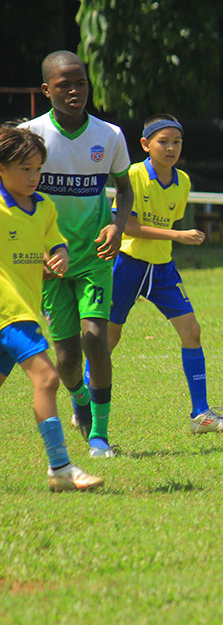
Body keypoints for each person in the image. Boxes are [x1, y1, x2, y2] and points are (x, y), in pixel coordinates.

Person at [21, 51, 134, 459]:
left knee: (95, 338)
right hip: (50, 262)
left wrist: (117, 226)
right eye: (64, 84)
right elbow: (15, 193)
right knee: (66, 357)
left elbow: (123, 189)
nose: (74, 91)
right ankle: (79, 396)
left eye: (81, 83)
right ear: (46, 89)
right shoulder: (30, 136)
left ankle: (100, 435)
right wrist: (35, 249)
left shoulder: (110, 135)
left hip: (94, 255)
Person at [107, 114, 223, 435]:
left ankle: (201, 414)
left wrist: (173, 237)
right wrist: (178, 236)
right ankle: (85, 400)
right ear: (145, 145)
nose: (170, 148)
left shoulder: (184, 182)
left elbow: (166, 223)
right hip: (127, 265)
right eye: (163, 142)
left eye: (176, 142)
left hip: (162, 269)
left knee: (191, 330)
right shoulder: (134, 175)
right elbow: (130, 226)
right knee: (107, 339)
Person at [0, 125, 104, 491]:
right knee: (47, 378)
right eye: (24, 169)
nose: (33, 177)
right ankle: (60, 467)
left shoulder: (43, 207)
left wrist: (57, 257)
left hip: (26, 306)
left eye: (38, 168)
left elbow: (56, 243)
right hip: (10, 313)